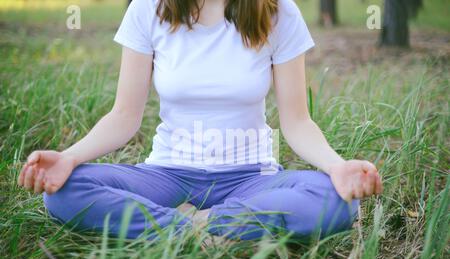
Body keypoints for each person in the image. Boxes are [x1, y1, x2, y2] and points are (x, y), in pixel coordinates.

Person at [17, 0, 382, 242]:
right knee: (64, 193)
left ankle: (207, 223)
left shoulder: (277, 11)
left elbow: (298, 122)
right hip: (167, 174)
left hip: (250, 178)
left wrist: (336, 166)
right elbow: (123, 116)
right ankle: (190, 227)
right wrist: (69, 158)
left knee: (337, 202)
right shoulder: (149, 8)